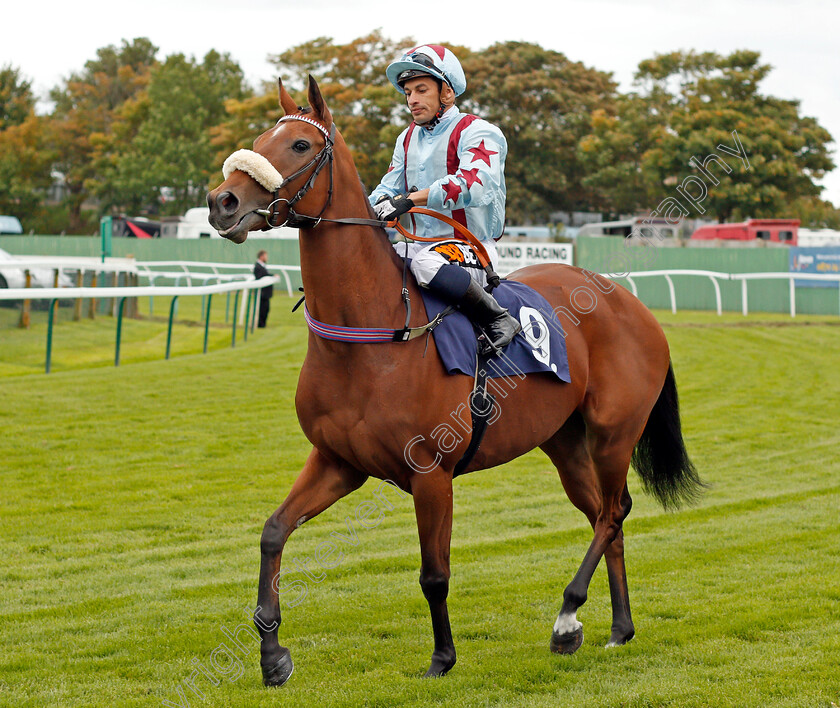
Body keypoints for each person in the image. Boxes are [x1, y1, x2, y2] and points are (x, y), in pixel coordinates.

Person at [369, 44, 521, 353]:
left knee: (425, 263)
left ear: (447, 93)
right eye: (408, 92)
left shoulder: (479, 131)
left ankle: (498, 318)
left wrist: (412, 199)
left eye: (421, 90)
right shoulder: (406, 137)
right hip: (414, 244)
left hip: (470, 248)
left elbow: (474, 184)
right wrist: (374, 206)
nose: (412, 100)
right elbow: (387, 186)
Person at [253, 249, 273, 328]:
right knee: (262, 309)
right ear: (261, 256)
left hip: (265, 294)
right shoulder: (258, 266)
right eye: (265, 256)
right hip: (262, 293)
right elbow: (261, 277)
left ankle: (263, 324)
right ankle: (260, 325)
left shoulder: (262, 265)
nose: (267, 257)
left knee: (266, 309)